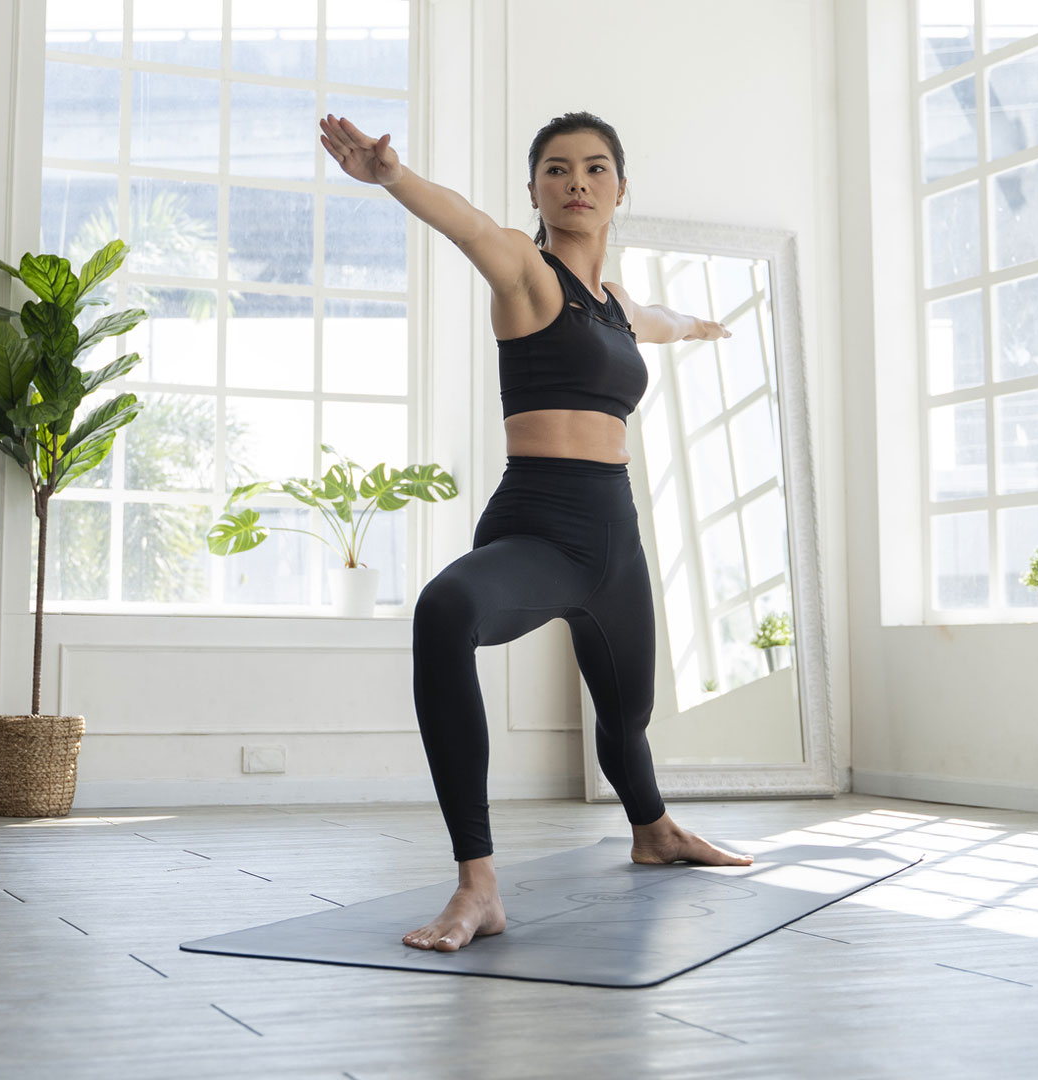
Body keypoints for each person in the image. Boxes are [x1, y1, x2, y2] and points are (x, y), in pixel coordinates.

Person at [318, 110, 756, 954]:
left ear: (621, 189)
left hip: (614, 540)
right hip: (540, 526)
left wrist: (698, 326)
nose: (578, 182)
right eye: (557, 169)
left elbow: (654, 317)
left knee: (626, 716)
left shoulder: (618, 304)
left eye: (596, 168)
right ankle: (477, 884)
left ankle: (655, 830)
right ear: (535, 190)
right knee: (445, 610)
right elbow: (470, 227)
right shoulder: (528, 274)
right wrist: (392, 179)